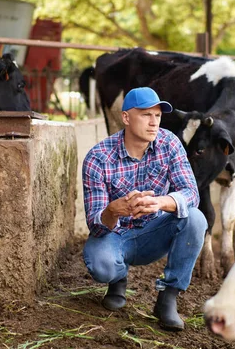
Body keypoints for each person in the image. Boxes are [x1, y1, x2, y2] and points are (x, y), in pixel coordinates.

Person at [82, 86, 207, 331]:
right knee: (101, 264)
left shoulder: (169, 143)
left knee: (195, 218)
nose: (154, 123)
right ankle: (117, 278)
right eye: (146, 115)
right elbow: (95, 224)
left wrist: (160, 202)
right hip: (115, 235)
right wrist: (113, 210)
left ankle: (167, 298)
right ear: (126, 117)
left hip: (154, 232)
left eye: (158, 116)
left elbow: (191, 193)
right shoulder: (98, 157)